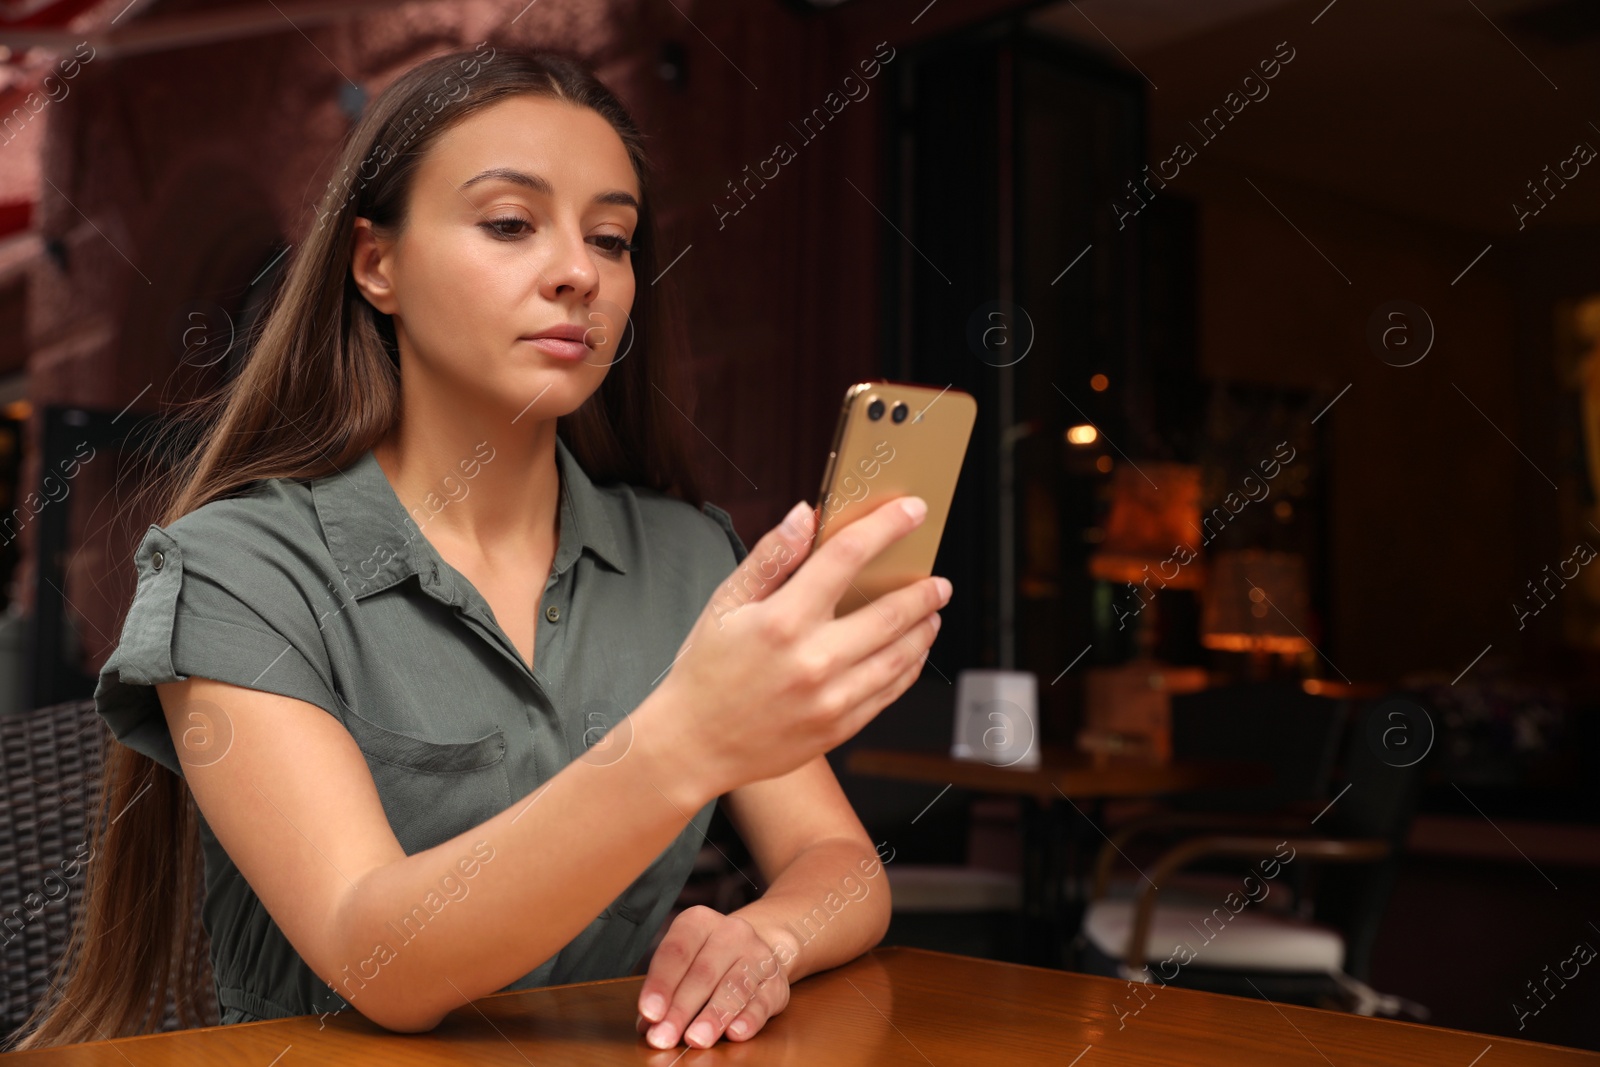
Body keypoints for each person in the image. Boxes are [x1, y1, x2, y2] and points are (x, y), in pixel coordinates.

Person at [8, 45, 949, 1052]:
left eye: (613, 238)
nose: (579, 272)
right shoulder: (239, 569)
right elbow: (381, 958)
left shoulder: (687, 557)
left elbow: (839, 862)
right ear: (376, 264)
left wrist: (763, 934)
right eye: (509, 223)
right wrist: (682, 743)